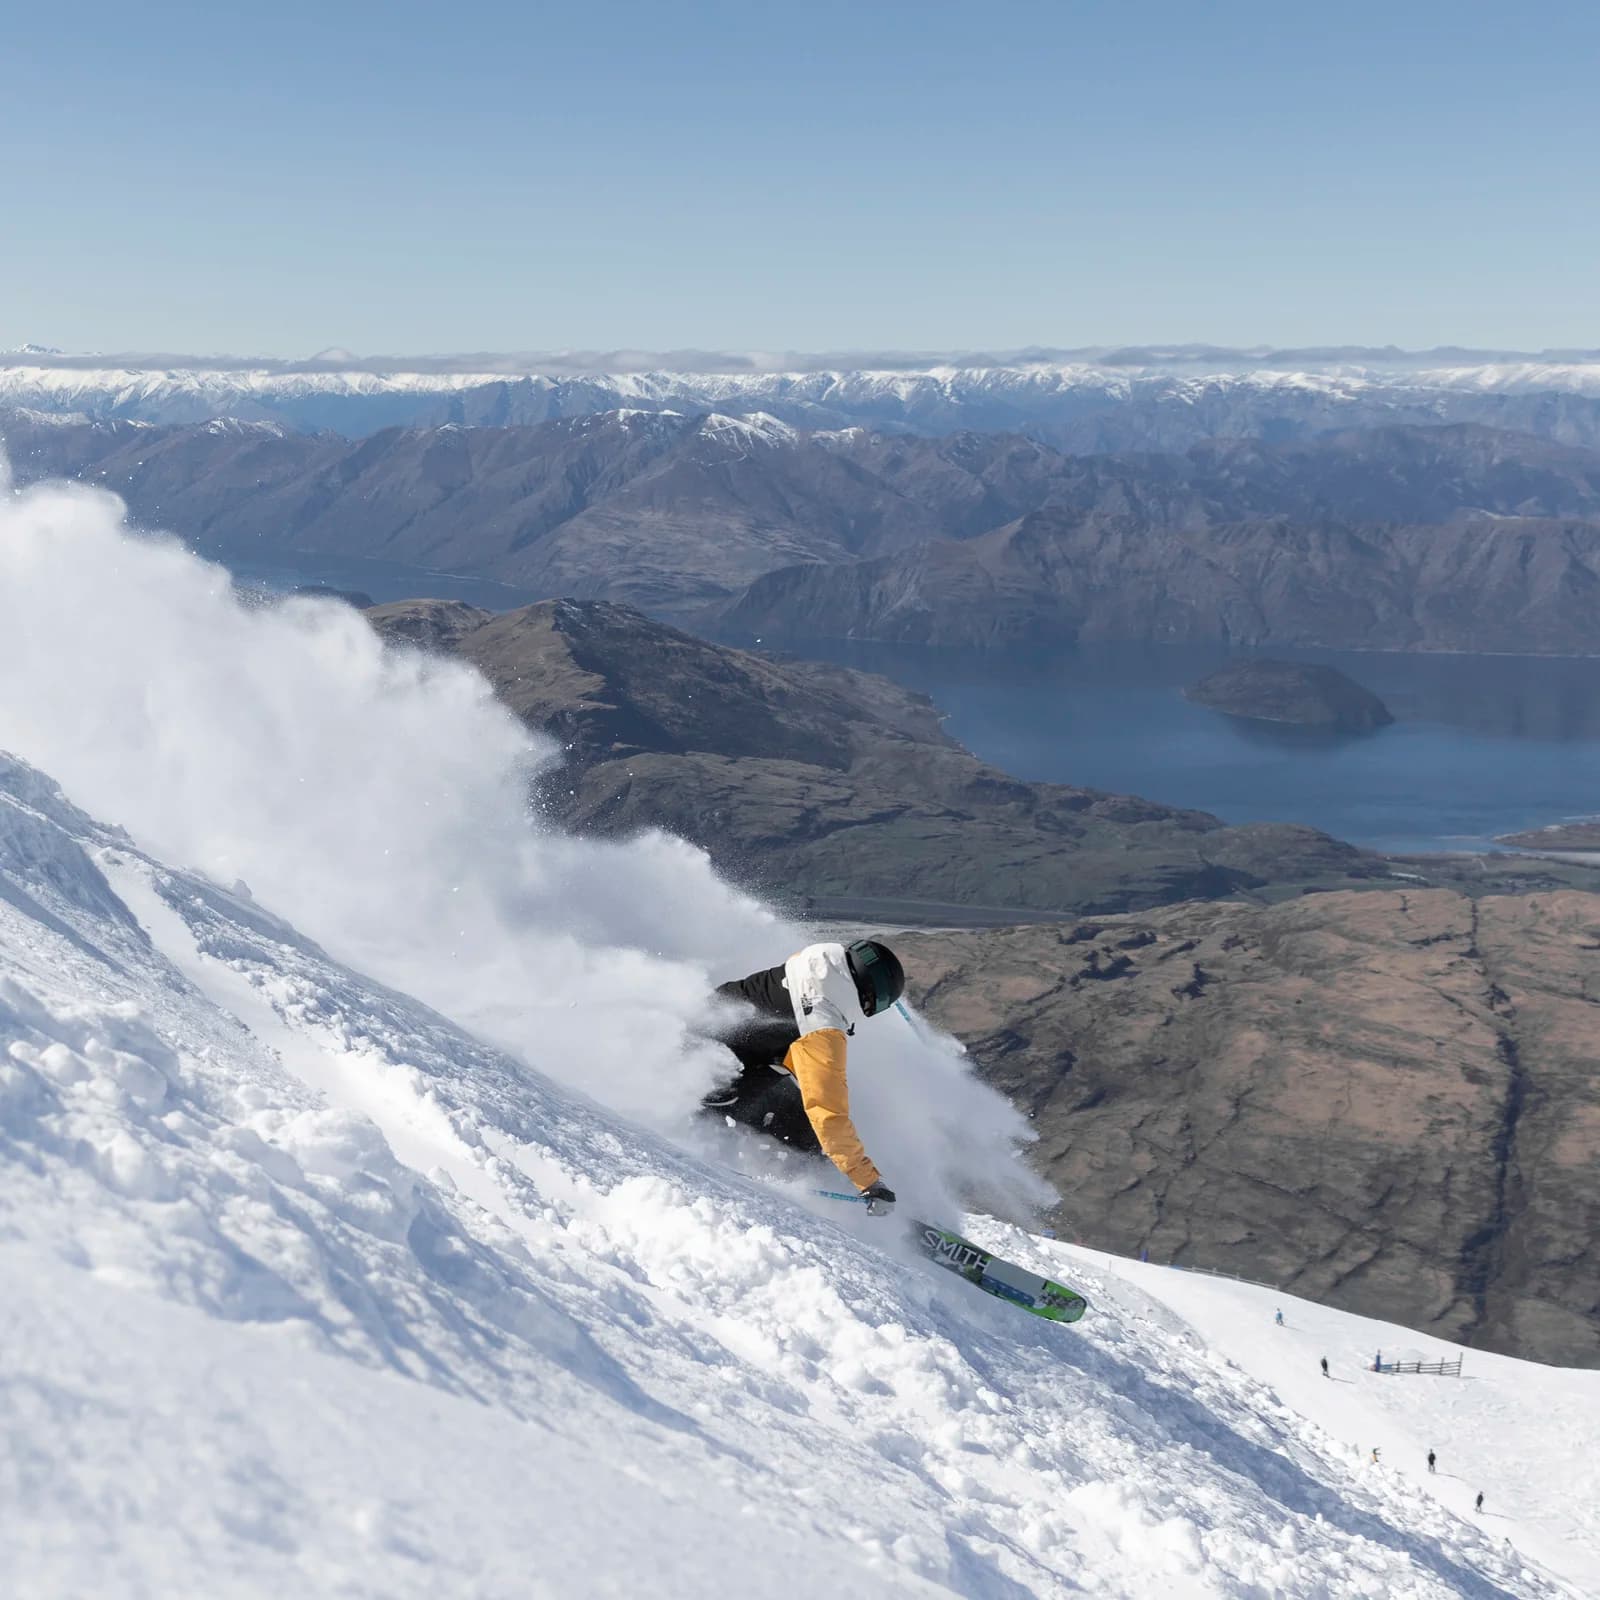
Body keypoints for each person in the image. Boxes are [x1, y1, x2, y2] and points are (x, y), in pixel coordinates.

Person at [702, 939, 904, 1211]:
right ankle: (845, 1190)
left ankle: (836, 1173)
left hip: (702, 1042)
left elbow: (781, 1031)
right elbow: (828, 1114)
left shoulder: (807, 962)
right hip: (711, 1078)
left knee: (790, 1098)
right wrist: (868, 1181)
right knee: (807, 1129)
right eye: (877, 1005)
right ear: (866, 996)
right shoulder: (822, 1027)